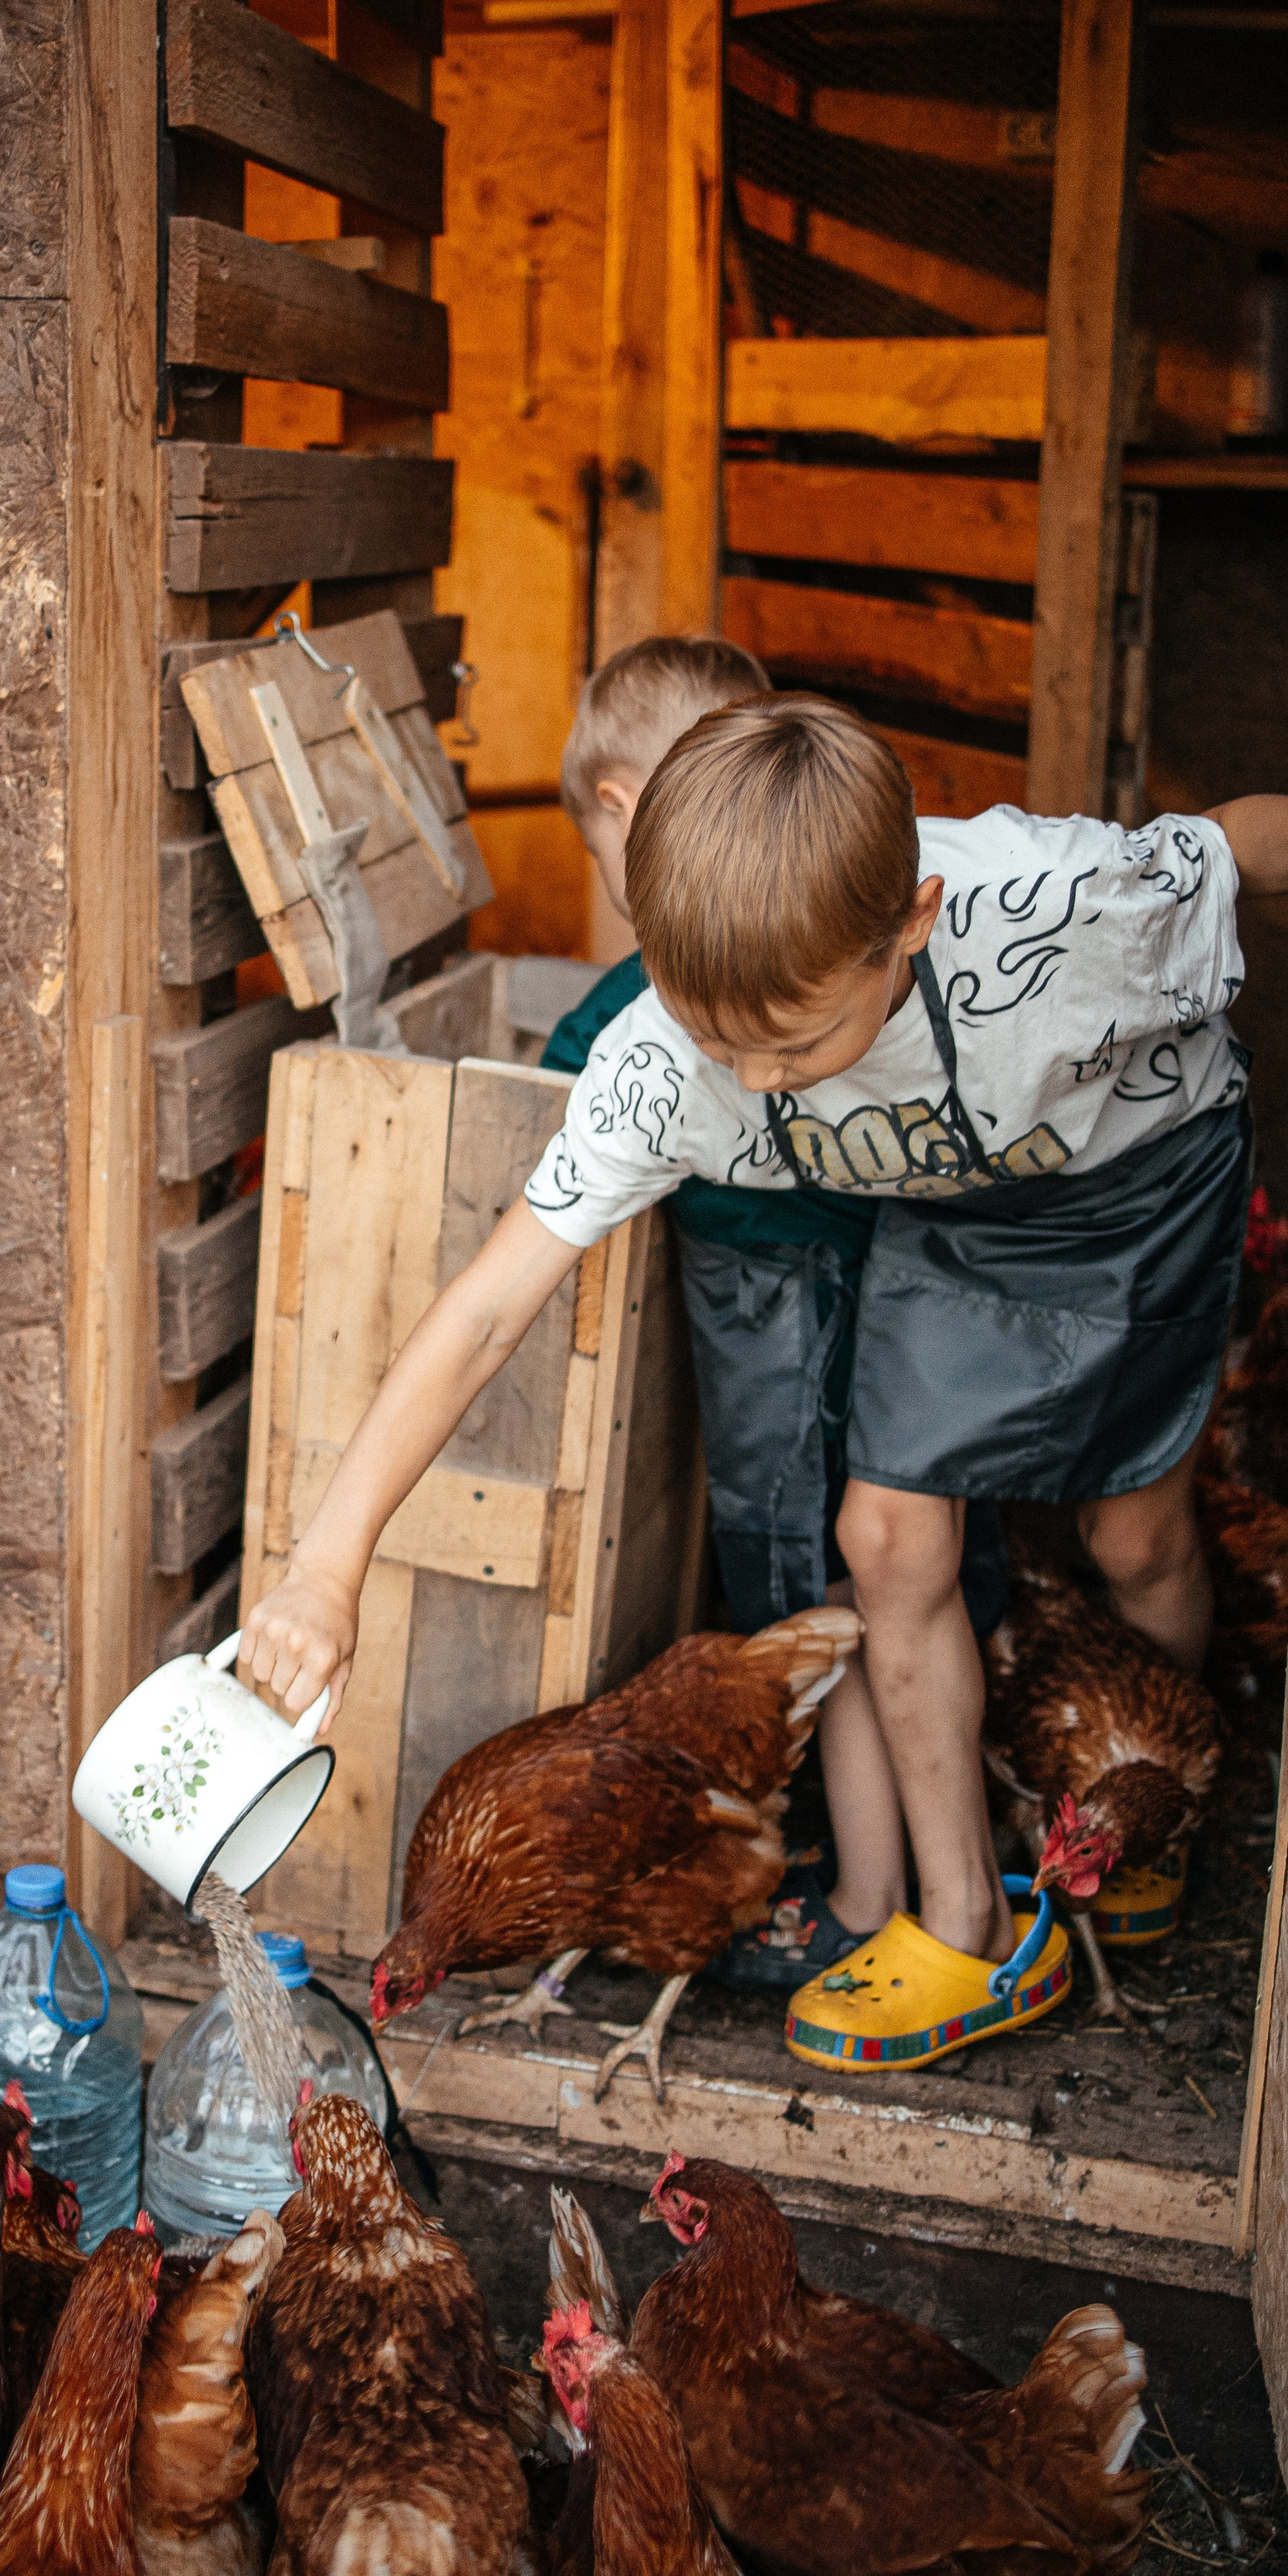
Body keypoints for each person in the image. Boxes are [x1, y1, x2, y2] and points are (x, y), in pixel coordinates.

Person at [240, 628, 1288, 2071]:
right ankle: (966, 1927)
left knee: (1135, 1540)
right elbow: (484, 1305)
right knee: (887, 1534)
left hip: (1133, 1178)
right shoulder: (673, 1054)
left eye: (789, 1044)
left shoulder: (1052, 906)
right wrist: (327, 1566)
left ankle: (1159, 1807)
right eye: (722, 1043)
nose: (752, 1084)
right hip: (936, 1201)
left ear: (908, 922)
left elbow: (1225, 850)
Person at [546, 635, 1009, 1988]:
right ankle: (927, 1858)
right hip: (898, 1264)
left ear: (628, 814)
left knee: (793, 1573)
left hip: (764, 1283)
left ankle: (858, 1892)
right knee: (911, 1557)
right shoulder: (827, 946)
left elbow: (567, 1064)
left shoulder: (659, 995)